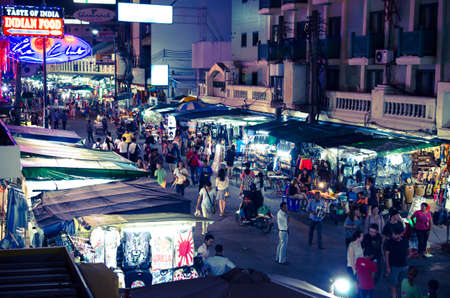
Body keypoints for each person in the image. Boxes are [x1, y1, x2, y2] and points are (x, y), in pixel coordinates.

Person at [385, 226, 409, 298]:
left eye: (395, 234)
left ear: (400, 234)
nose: (393, 235)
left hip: (404, 266)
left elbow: (407, 251)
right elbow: (387, 255)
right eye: (393, 234)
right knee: (393, 284)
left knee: (403, 284)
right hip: (394, 266)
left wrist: (406, 260)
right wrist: (388, 267)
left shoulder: (405, 240)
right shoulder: (389, 242)